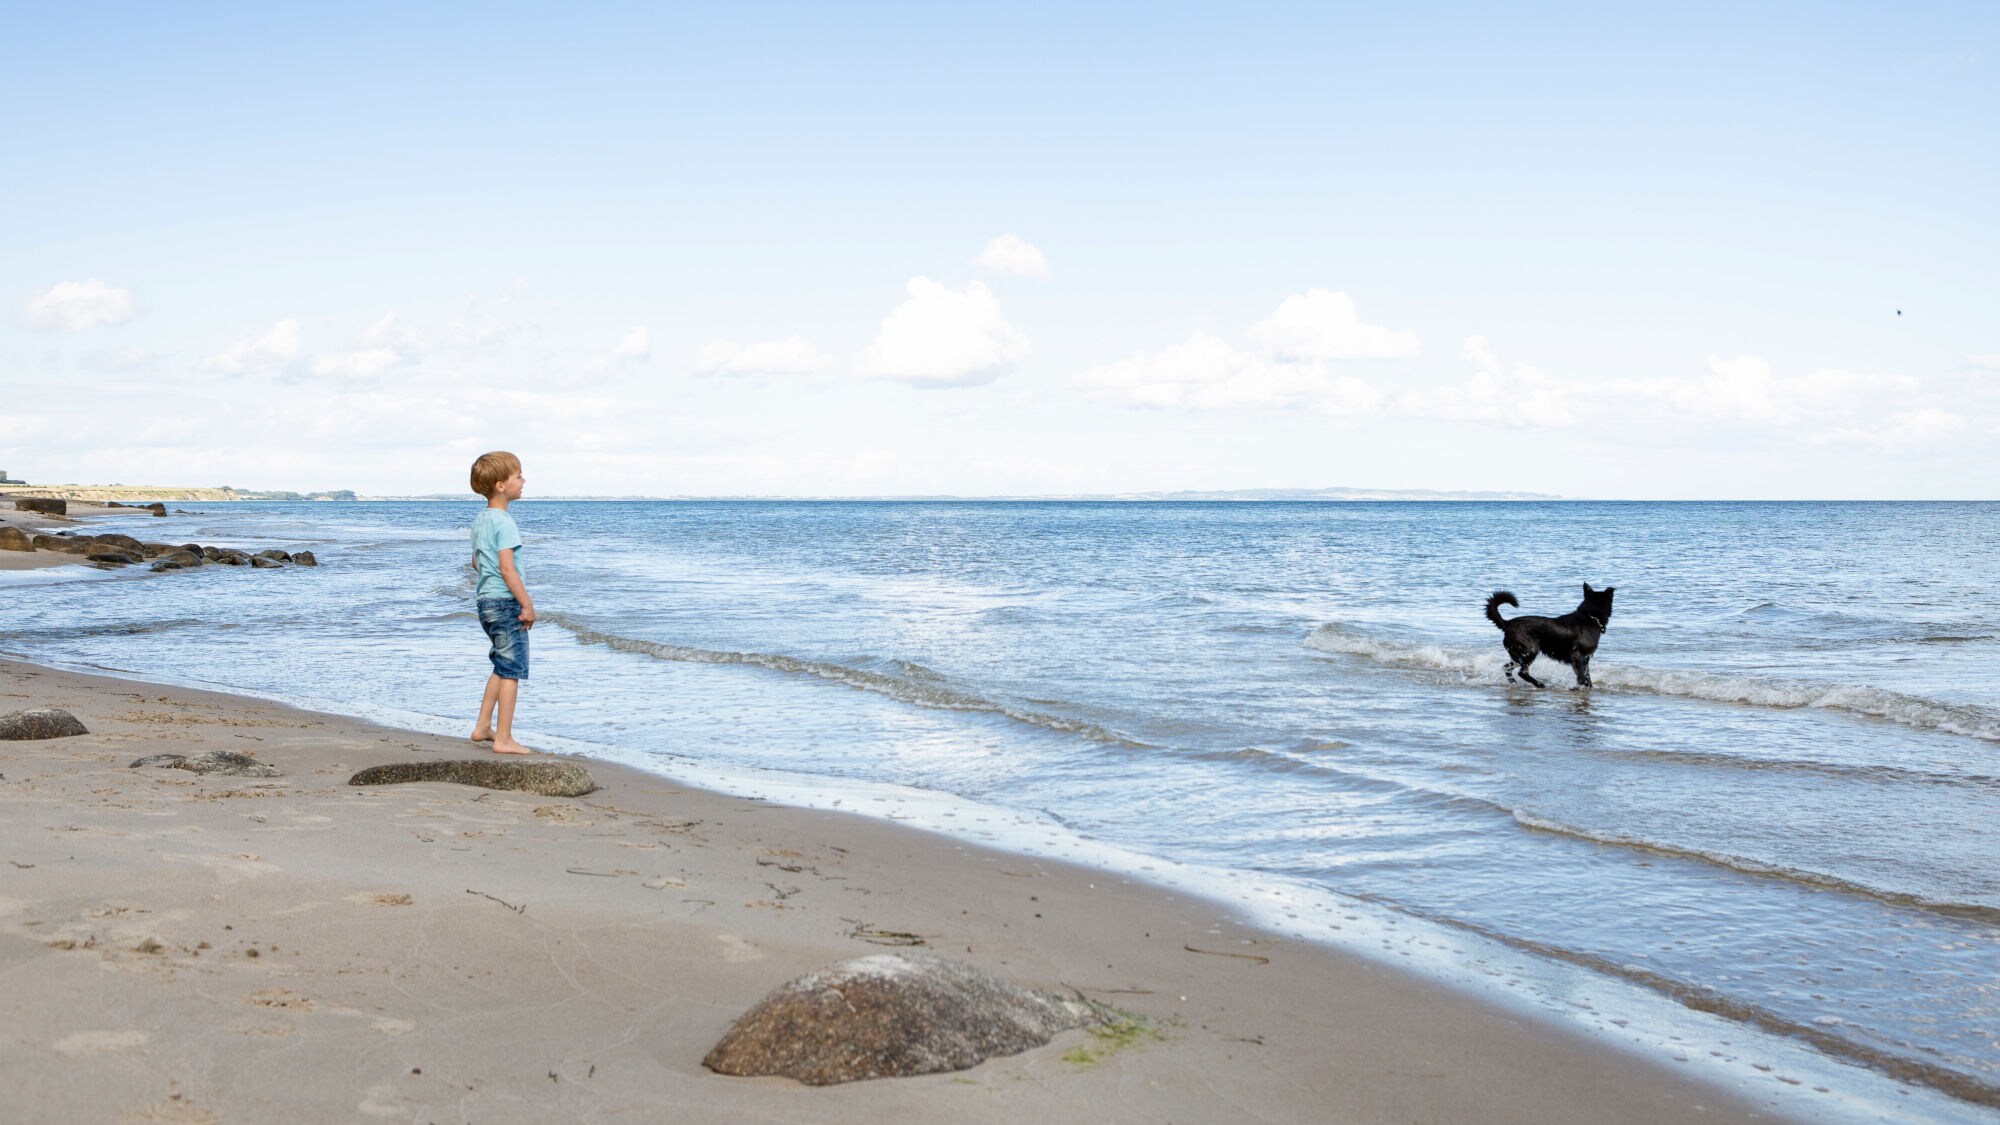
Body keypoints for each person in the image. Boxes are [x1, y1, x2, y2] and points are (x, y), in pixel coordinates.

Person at [467, 450, 535, 754]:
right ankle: (504, 738)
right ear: (501, 486)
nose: (523, 480)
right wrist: (526, 604)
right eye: (518, 476)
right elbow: (507, 569)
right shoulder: (505, 522)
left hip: (485, 602)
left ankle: (483, 726)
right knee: (512, 669)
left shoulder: (481, 520)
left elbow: (476, 562)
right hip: (506, 602)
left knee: (501, 663)